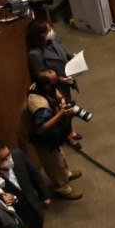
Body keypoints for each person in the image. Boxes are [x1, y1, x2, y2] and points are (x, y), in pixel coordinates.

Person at [20, 70, 83, 199]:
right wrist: (61, 114)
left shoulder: (40, 86)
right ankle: (62, 188)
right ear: (48, 85)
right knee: (54, 162)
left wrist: (62, 101)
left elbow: (57, 94)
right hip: (43, 137)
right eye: (55, 80)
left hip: (52, 134)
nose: (58, 80)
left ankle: (66, 174)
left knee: (60, 155)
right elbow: (40, 129)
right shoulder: (40, 106)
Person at [0, 139, 51, 228]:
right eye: (3, 158)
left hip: (34, 204)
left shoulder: (18, 155)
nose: (9, 159)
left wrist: (45, 195)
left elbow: (34, 174)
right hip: (19, 216)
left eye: (8, 154)